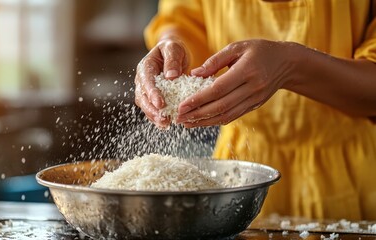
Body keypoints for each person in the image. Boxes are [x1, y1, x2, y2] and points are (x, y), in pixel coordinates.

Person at [134, 0, 376, 221]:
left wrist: (292, 65)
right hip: (242, 174)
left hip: (354, 177)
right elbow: (184, 20)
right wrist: (172, 49)